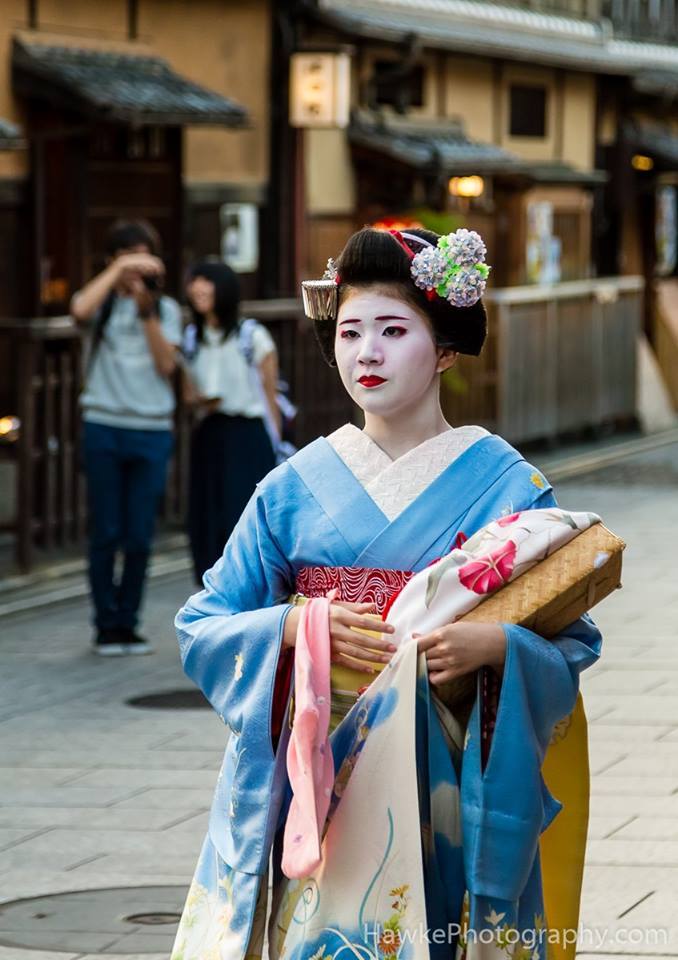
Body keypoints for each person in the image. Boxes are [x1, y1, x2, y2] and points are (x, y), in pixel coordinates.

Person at [171, 227, 603, 960]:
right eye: (350, 332)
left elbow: (572, 641)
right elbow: (203, 623)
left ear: (442, 350)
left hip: (444, 780)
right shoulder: (291, 487)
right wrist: (295, 627)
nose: (365, 352)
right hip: (314, 781)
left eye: (393, 330)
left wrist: (494, 644)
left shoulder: (507, 483)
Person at [71, 219, 181, 656]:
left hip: (151, 429)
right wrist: (118, 274)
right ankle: (105, 626)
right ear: (112, 261)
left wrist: (146, 308)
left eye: (143, 259)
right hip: (103, 424)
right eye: (127, 258)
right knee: (105, 531)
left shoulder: (165, 309)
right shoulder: (100, 305)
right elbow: (78, 309)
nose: (136, 270)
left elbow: (166, 366)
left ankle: (128, 622)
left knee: (138, 534)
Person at [183, 261, 278, 583]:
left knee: (243, 512)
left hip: (248, 434)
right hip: (209, 431)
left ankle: (248, 584)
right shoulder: (193, 336)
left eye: (206, 281)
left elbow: (270, 396)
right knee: (207, 512)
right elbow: (188, 393)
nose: (198, 288)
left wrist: (275, 444)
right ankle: (212, 586)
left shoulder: (252, 336)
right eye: (195, 281)